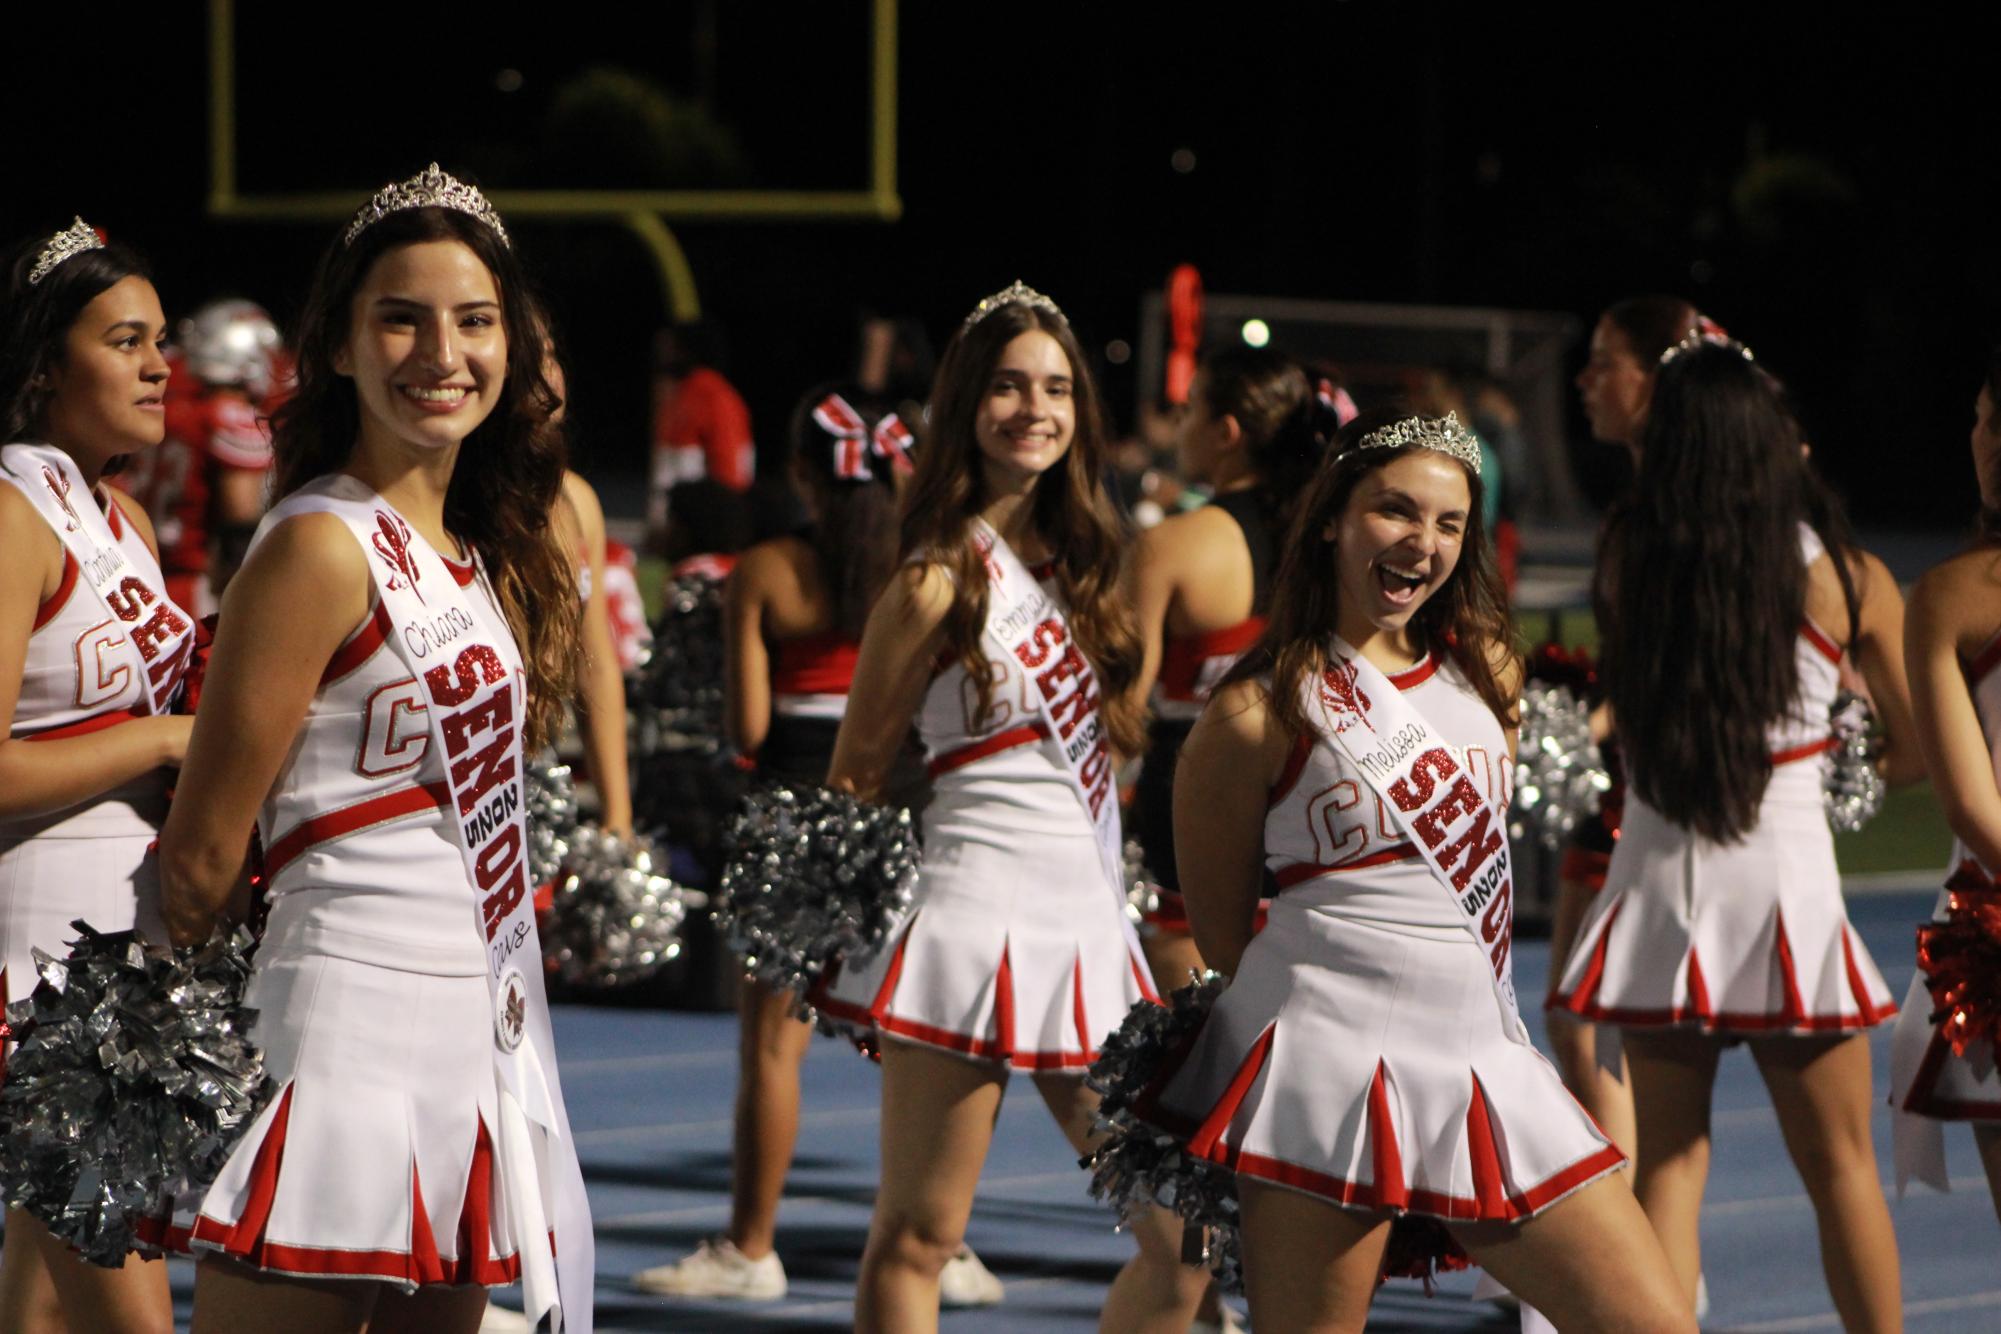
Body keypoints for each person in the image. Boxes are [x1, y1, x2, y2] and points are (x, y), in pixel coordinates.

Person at [153, 165, 593, 1334]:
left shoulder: (473, 554)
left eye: (474, 320)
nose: (440, 352)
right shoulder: (317, 547)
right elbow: (201, 855)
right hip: (334, 1028)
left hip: (467, 1037)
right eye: (400, 316)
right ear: (339, 346)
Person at [1151, 408, 1690, 1333]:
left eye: (1448, 523)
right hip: (1324, 1064)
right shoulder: (1252, 710)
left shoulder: (1486, 670)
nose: (1423, 543)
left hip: (1483, 1058)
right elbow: (1222, 934)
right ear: (1330, 518)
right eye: (1394, 512)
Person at [809, 284, 1205, 1332]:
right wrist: (857, 942)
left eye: (1057, 388)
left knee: (1188, 1240)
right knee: (920, 1235)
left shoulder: (1097, 571)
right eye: (1007, 386)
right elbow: (856, 771)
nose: (1034, 408)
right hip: (969, 921)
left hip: (1086, 928)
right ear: (964, 407)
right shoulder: (935, 580)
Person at [1551, 339, 1920, 1330]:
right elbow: (1916, 749)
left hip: (1660, 878)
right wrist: (1852, 752)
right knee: (1841, 1167)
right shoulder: (1846, 575)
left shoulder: (1634, 555)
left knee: (1668, 1165)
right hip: (1786, 888)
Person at [633, 384, 998, 1305]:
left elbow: (749, 725)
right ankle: (943, 1247)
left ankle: (751, 1249)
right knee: (925, 1043)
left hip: (798, 805)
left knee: (771, 1046)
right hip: (912, 808)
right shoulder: (940, 568)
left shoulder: (764, 571)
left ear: (800, 472)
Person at [0, 218, 189, 1334]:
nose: (160, 364)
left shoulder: (123, 516)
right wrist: (170, 743)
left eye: (161, 337)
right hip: (35, 960)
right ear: (40, 366)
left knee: (40, 1294)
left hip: (124, 949)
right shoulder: (14, 515)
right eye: (126, 339)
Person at [1548, 294, 1708, 1168]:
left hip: (1651, 794)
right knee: (1571, 1021)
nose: (1584, 379)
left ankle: (1643, 1264)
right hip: (1611, 777)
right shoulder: (1635, 511)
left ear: (1659, 380)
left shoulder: (1691, 521)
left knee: (1595, 1029)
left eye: (1605, 361)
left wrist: (1580, 729)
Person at [1128, 346, 1329, 1003]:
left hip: (1188, 800)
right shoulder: (1330, 541)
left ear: (1226, 432)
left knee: (1203, 1048)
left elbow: (1118, 708)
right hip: (1307, 795)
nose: (1178, 428)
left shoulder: (1171, 544)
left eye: (1189, 411)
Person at [1887, 346, 2001, 1221]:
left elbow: (1969, 805)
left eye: (1990, 417)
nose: (1979, 438)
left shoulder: (1950, 595)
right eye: (1977, 418)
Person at [114, 299, 284, 617]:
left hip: (137, 576)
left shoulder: (164, 412)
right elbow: (240, 524)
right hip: (196, 590)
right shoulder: (231, 416)